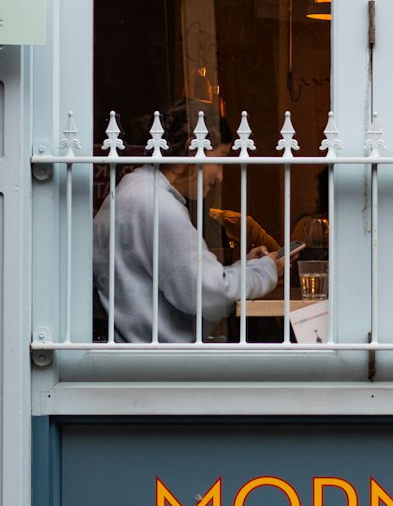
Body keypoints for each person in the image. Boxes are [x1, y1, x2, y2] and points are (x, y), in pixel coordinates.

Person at [93, 106, 283, 342]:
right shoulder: (157, 204)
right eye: (221, 160)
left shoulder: (130, 189)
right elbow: (210, 294)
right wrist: (266, 270)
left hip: (132, 353)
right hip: (159, 362)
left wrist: (246, 268)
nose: (221, 176)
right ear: (194, 148)